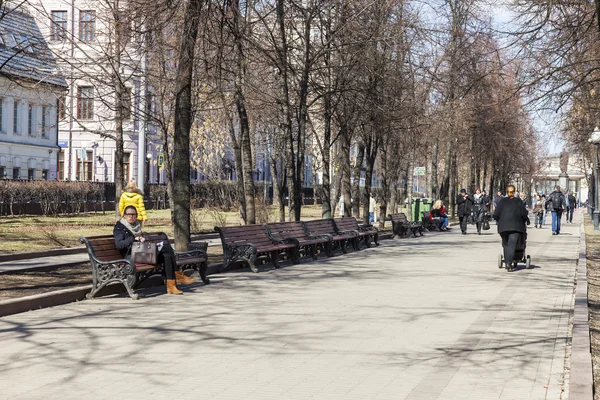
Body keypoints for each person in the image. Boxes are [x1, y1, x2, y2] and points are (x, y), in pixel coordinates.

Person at [114, 205, 194, 295]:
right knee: (166, 248)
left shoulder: (136, 226)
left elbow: (138, 242)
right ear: (124, 215)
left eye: (134, 214)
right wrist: (133, 239)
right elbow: (119, 245)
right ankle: (178, 274)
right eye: (129, 214)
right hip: (131, 256)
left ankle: (171, 287)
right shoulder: (119, 228)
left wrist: (142, 240)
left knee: (166, 256)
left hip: (140, 253)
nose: (131, 216)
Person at [493, 185, 529, 270]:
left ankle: (507, 262)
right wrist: (524, 220)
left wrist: (500, 220)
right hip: (516, 226)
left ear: (506, 192)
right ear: (514, 192)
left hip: (503, 227)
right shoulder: (518, 201)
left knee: (505, 244)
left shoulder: (502, 201)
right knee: (512, 244)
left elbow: (495, 214)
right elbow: (524, 214)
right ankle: (508, 263)